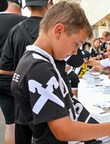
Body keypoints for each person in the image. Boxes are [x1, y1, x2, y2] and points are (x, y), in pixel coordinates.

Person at [11, 1, 110, 143]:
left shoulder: (44, 61)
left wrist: (101, 127)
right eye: (76, 44)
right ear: (59, 30)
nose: (75, 52)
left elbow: (69, 104)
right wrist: (109, 128)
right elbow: (63, 130)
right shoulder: (38, 68)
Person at [0, 0, 53, 143]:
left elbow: (4, 68)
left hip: (22, 100)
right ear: (48, 4)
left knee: (16, 130)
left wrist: (23, 71)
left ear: (27, 7)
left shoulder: (15, 30)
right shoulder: (54, 30)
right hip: (49, 99)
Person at [0, 1, 26, 144]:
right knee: (27, 124)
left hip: (1, 80)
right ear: (20, 8)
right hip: (21, 78)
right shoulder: (24, 22)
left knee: (10, 125)